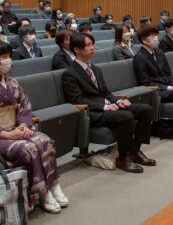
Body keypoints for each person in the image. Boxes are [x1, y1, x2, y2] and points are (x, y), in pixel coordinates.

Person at [0, 41, 68, 213]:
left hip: (16, 129)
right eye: (3, 57)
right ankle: (42, 191)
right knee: (29, 148)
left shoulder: (11, 81)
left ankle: (53, 184)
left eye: (8, 57)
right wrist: (6, 134)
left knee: (45, 141)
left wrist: (24, 125)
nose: (8, 61)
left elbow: (24, 104)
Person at [62, 33, 155, 173]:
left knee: (145, 110)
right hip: (93, 112)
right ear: (76, 49)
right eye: (87, 45)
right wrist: (104, 106)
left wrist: (118, 101)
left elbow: (105, 92)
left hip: (107, 105)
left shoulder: (96, 69)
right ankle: (123, 158)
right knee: (126, 116)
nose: (92, 48)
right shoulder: (70, 73)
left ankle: (135, 151)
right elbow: (78, 100)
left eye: (92, 44)